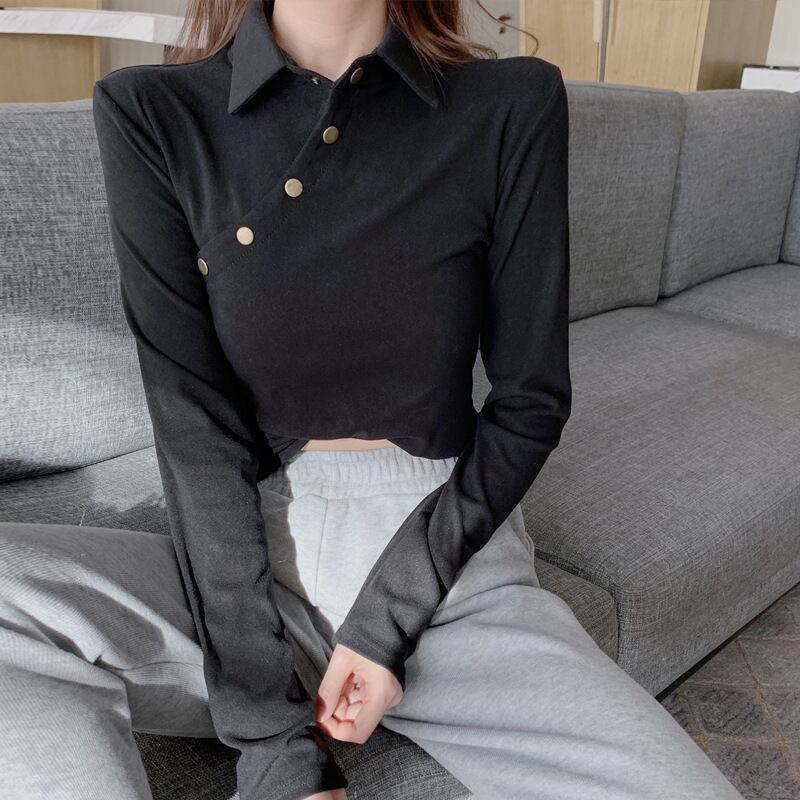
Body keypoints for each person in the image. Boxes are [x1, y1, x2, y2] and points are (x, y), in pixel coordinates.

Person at [0, 1, 745, 799]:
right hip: (240, 557)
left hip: (445, 573)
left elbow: (532, 401)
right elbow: (194, 429)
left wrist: (392, 613)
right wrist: (275, 745)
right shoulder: (151, 110)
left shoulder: (511, 101)